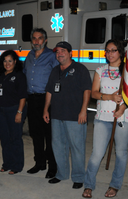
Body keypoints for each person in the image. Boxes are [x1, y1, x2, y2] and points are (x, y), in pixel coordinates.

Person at [82, 39, 128, 198]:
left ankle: (115, 185)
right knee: (97, 153)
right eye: (107, 50)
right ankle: (89, 184)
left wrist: (123, 108)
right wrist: (110, 96)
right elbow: (94, 93)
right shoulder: (100, 70)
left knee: (121, 152)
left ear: (120, 52)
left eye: (113, 50)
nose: (109, 53)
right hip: (102, 116)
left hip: (124, 117)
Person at [43, 41, 92, 189]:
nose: (60, 54)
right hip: (56, 115)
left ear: (70, 53)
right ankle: (62, 174)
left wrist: (83, 110)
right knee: (58, 146)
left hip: (75, 116)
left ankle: (78, 177)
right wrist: (46, 109)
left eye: (63, 51)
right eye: (57, 52)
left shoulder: (80, 69)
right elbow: (49, 91)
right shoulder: (54, 70)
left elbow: (87, 91)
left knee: (77, 147)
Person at [23, 28, 59, 178]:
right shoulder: (29, 56)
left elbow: (58, 76)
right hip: (31, 99)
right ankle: (40, 163)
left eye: (40, 38)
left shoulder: (51, 56)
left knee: (49, 135)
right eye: (34, 38)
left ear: (45, 40)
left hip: (47, 100)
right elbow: (24, 74)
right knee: (35, 133)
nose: (36, 41)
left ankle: (52, 166)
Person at [0, 50, 28, 175]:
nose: (7, 64)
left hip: (15, 110)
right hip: (2, 111)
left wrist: (19, 112)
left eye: (10, 61)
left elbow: (23, 96)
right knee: (4, 138)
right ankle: (6, 164)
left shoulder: (19, 76)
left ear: (15, 62)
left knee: (15, 138)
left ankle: (17, 165)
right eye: (5, 61)